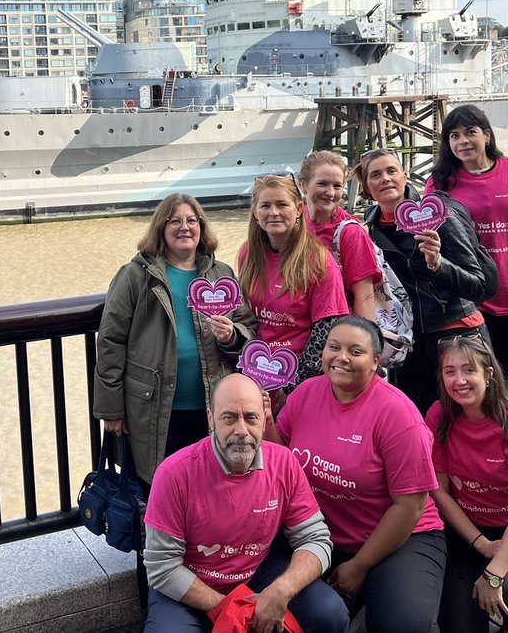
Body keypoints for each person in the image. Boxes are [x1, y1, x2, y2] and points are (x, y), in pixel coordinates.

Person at [267, 316, 446, 633]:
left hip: (401, 537)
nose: (341, 358)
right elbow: (281, 461)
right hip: (322, 536)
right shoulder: (307, 393)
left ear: (377, 361)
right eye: (333, 347)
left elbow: (411, 506)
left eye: (356, 351)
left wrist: (360, 566)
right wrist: (266, 421)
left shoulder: (398, 415)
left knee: (404, 626)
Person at [143, 373, 349, 633]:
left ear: (264, 419)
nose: (241, 431)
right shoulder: (174, 473)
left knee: (329, 613)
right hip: (190, 581)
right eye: (229, 417)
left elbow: (316, 539)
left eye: (251, 417)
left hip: (257, 573)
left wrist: (281, 591)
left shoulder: (284, 462)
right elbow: (162, 567)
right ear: (211, 419)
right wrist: (234, 609)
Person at [94, 193, 257, 485]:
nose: (185, 227)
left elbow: (247, 326)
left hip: (211, 402)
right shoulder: (136, 276)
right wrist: (112, 410)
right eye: (175, 221)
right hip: (154, 405)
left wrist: (233, 336)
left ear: (201, 227)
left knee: (208, 482)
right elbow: (110, 342)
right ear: (161, 228)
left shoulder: (221, 274)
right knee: (162, 484)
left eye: (192, 220)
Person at [426, 335, 508, 633]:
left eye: (468, 370)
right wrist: (481, 544)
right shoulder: (439, 416)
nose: (459, 380)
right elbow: (440, 493)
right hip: (466, 531)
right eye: (450, 372)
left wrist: (494, 575)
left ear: (488, 374)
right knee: (459, 622)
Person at [357, 149, 497, 413]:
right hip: (412, 340)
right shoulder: (370, 228)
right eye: (375, 175)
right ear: (366, 186)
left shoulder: (437, 215)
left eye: (391, 171)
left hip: (457, 331)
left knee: (469, 416)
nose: (385, 179)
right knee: (418, 418)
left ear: (405, 176)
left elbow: (478, 285)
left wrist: (438, 264)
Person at [427, 105, 508, 394]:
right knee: (471, 374)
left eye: (470, 132)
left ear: (487, 136)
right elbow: (432, 236)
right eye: (454, 136)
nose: (463, 141)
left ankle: (507, 432)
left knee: (503, 368)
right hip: (466, 297)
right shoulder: (440, 182)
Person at [236, 172, 348, 385]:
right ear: (255, 212)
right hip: (255, 371)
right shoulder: (248, 254)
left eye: (282, 205)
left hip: (299, 373)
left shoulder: (319, 261)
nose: (274, 213)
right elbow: (245, 317)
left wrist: (293, 389)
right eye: (265, 206)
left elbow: (326, 331)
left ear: (298, 209)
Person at [298, 150, 380, 320]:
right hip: (300, 324)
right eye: (322, 184)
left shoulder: (351, 232)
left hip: (336, 326)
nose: (331, 192)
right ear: (303, 185)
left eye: (337, 185)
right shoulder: (296, 221)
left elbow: (364, 297)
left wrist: (366, 342)